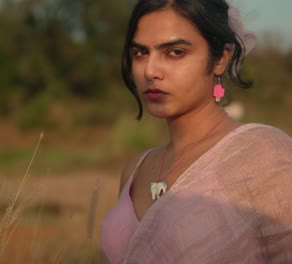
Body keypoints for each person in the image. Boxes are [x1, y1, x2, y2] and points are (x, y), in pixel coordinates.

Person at [100, 0, 292, 263]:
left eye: (175, 52)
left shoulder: (264, 155)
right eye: (140, 53)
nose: (150, 70)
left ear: (221, 59)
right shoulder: (135, 170)